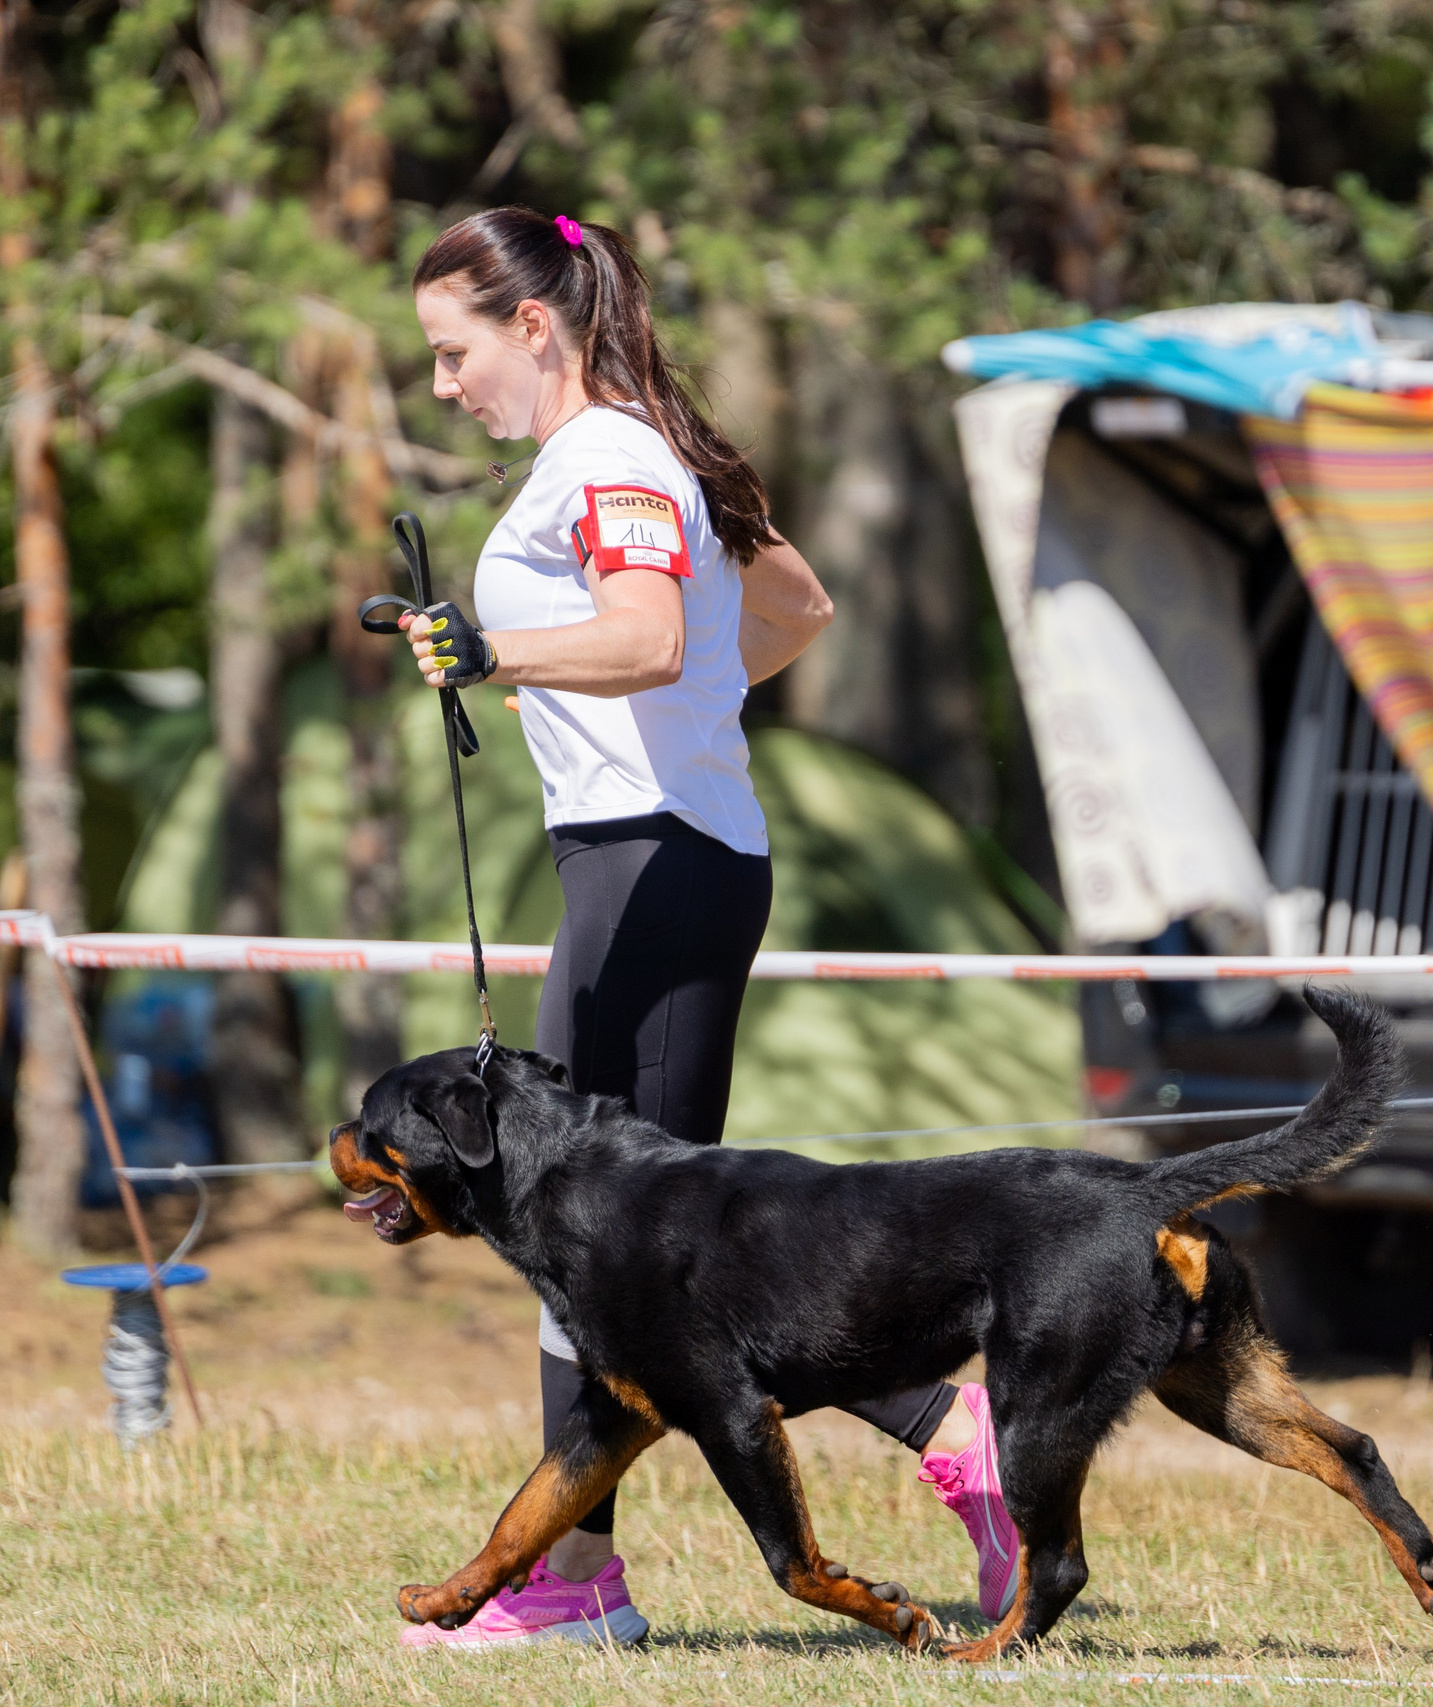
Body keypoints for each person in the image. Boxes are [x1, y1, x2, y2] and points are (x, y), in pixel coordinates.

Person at [382, 207, 1016, 1649]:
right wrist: (691, 721)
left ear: (532, 325)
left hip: (656, 865)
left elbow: (656, 636)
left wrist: (495, 652)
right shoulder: (634, 450)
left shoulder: (610, 458)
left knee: (602, 1241)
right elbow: (790, 607)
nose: (443, 384)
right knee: (644, 1249)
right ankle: (936, 1433)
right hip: (652, 859)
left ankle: (577, 1585)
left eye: (454, 352)